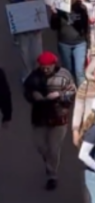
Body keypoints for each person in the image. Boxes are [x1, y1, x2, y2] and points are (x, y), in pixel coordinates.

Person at [24, 51, 77, 189]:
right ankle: (49, 161)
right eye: (43, 67)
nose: (45, 69)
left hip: (58, 117)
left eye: (48, 67)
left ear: (54, 64)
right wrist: (33, 96)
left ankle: (52, 175)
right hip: (39, 117)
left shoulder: (65, 75)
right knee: (40, 145)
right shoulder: (34, 76)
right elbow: (26, 91)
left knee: (53, 148)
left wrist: (59, 95)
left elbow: (72, 93)